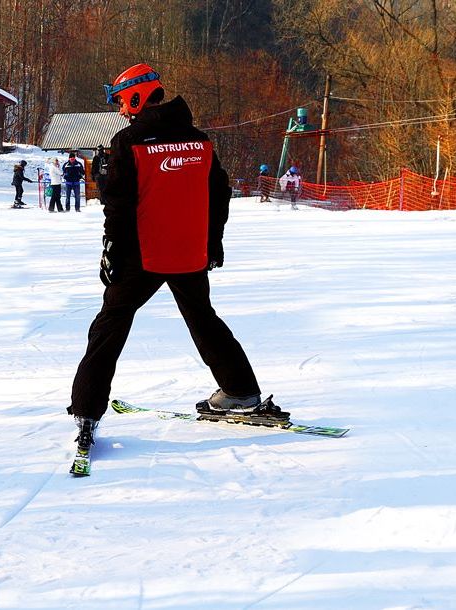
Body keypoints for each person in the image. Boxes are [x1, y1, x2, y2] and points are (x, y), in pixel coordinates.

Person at [68, 63, 286, 452]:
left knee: (109, 326)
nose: (120, 110)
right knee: (203, 319)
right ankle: (241, 392)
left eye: (120, 101)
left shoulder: (128, 142)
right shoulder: (199, 140)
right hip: (188, 252)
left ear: (137, 95)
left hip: (141, 256)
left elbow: (117, 206)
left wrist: (112, 251)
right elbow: (219, 194)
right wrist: (211, 243)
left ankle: (87, 411)